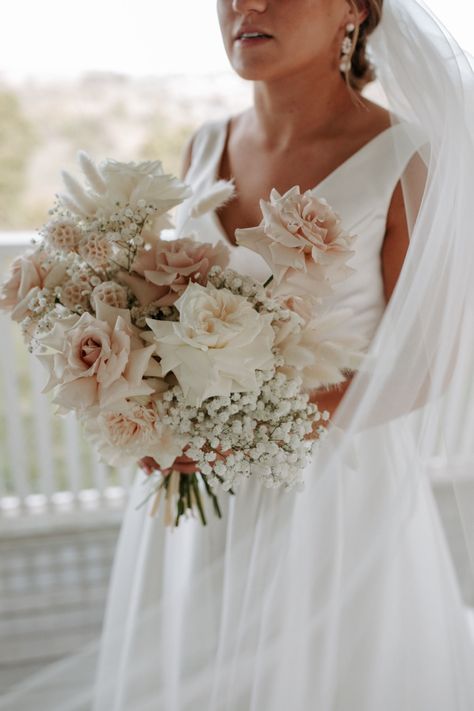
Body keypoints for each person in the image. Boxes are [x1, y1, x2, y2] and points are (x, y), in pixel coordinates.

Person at [1, 0, 473, 709]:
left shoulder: (408, 158)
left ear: (355, 8)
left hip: (336, 499)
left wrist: (244, 433)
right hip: (198, 502)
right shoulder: (203, 144)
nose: (244, 5)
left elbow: (430, 362)